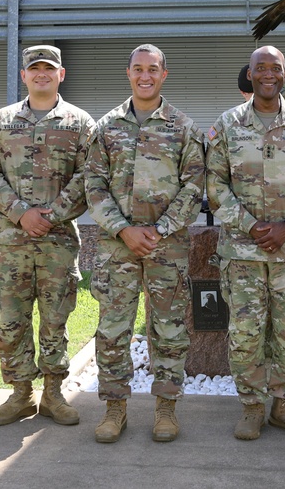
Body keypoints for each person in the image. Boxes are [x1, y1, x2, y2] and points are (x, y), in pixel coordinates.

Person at [206, 45, 285, 441]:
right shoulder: (227, 125)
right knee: (245, 333)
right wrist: (250, 224)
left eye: (275, 68)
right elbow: (213, 185)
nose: (268, 75)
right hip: (242, 253)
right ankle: (252, 407)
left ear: (283, 74)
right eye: (261, 68)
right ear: (251, 73)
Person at [85, 43, 205, 444]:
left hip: (166, 246)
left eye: (153, 69)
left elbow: (194, 186)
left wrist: (160, 229)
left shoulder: (184, 128)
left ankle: (166, 408)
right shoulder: (106, 128)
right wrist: (124, 230)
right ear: (129, 73)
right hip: (117, 247)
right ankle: (115, 408)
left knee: (168, 329)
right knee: (114, 328)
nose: (145, 76)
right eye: (138, 69)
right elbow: (94, 186)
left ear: (164, 74)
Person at [0, 44, 95, 428]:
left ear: (62, 74)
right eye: (34, 69)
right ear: (24, 75)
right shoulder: (0, 121)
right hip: (11, 242)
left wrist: (52, 215)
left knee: (55, 319)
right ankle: (21, 393)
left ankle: (53, 394)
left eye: (49, 69)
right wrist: (20, 213)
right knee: (11, 319)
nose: (41, 74)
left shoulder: (80, 124)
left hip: (58, 243)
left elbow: (90, 176)